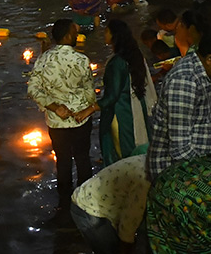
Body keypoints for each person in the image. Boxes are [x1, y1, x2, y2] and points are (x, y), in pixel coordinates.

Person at [146, 25, 211, 179]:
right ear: (210, 59)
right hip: (175, 176)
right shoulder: (185, 81)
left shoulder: (208, 75)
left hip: (197, 165)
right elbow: (180, 149)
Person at [27, 18, 98, 210]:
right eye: (75, 33)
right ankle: (84, 201)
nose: (76, 36)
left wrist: (54, 106)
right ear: (67, 36)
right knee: (83, 159)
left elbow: (33, 89)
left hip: (56, 123)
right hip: (81, 120)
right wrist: (86, 109)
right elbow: (90, 94)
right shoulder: (81, 60)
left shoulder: (44, 59)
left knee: (63, 161)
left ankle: (64, 203)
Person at [98, 19, 157, 165]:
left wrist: (90, 108)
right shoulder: (135, 54)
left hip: (122, 111)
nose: (103, 34)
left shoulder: (117, 62)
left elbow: (113, 95)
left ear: (114, 35)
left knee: (124, 148)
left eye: (106, 31)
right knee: (140, 142)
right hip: (138, 104)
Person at [69, 154, 150, 254]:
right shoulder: (145, 182)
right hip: (89, 208)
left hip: (103, 200)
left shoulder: (152, 158)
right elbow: (127, 228)